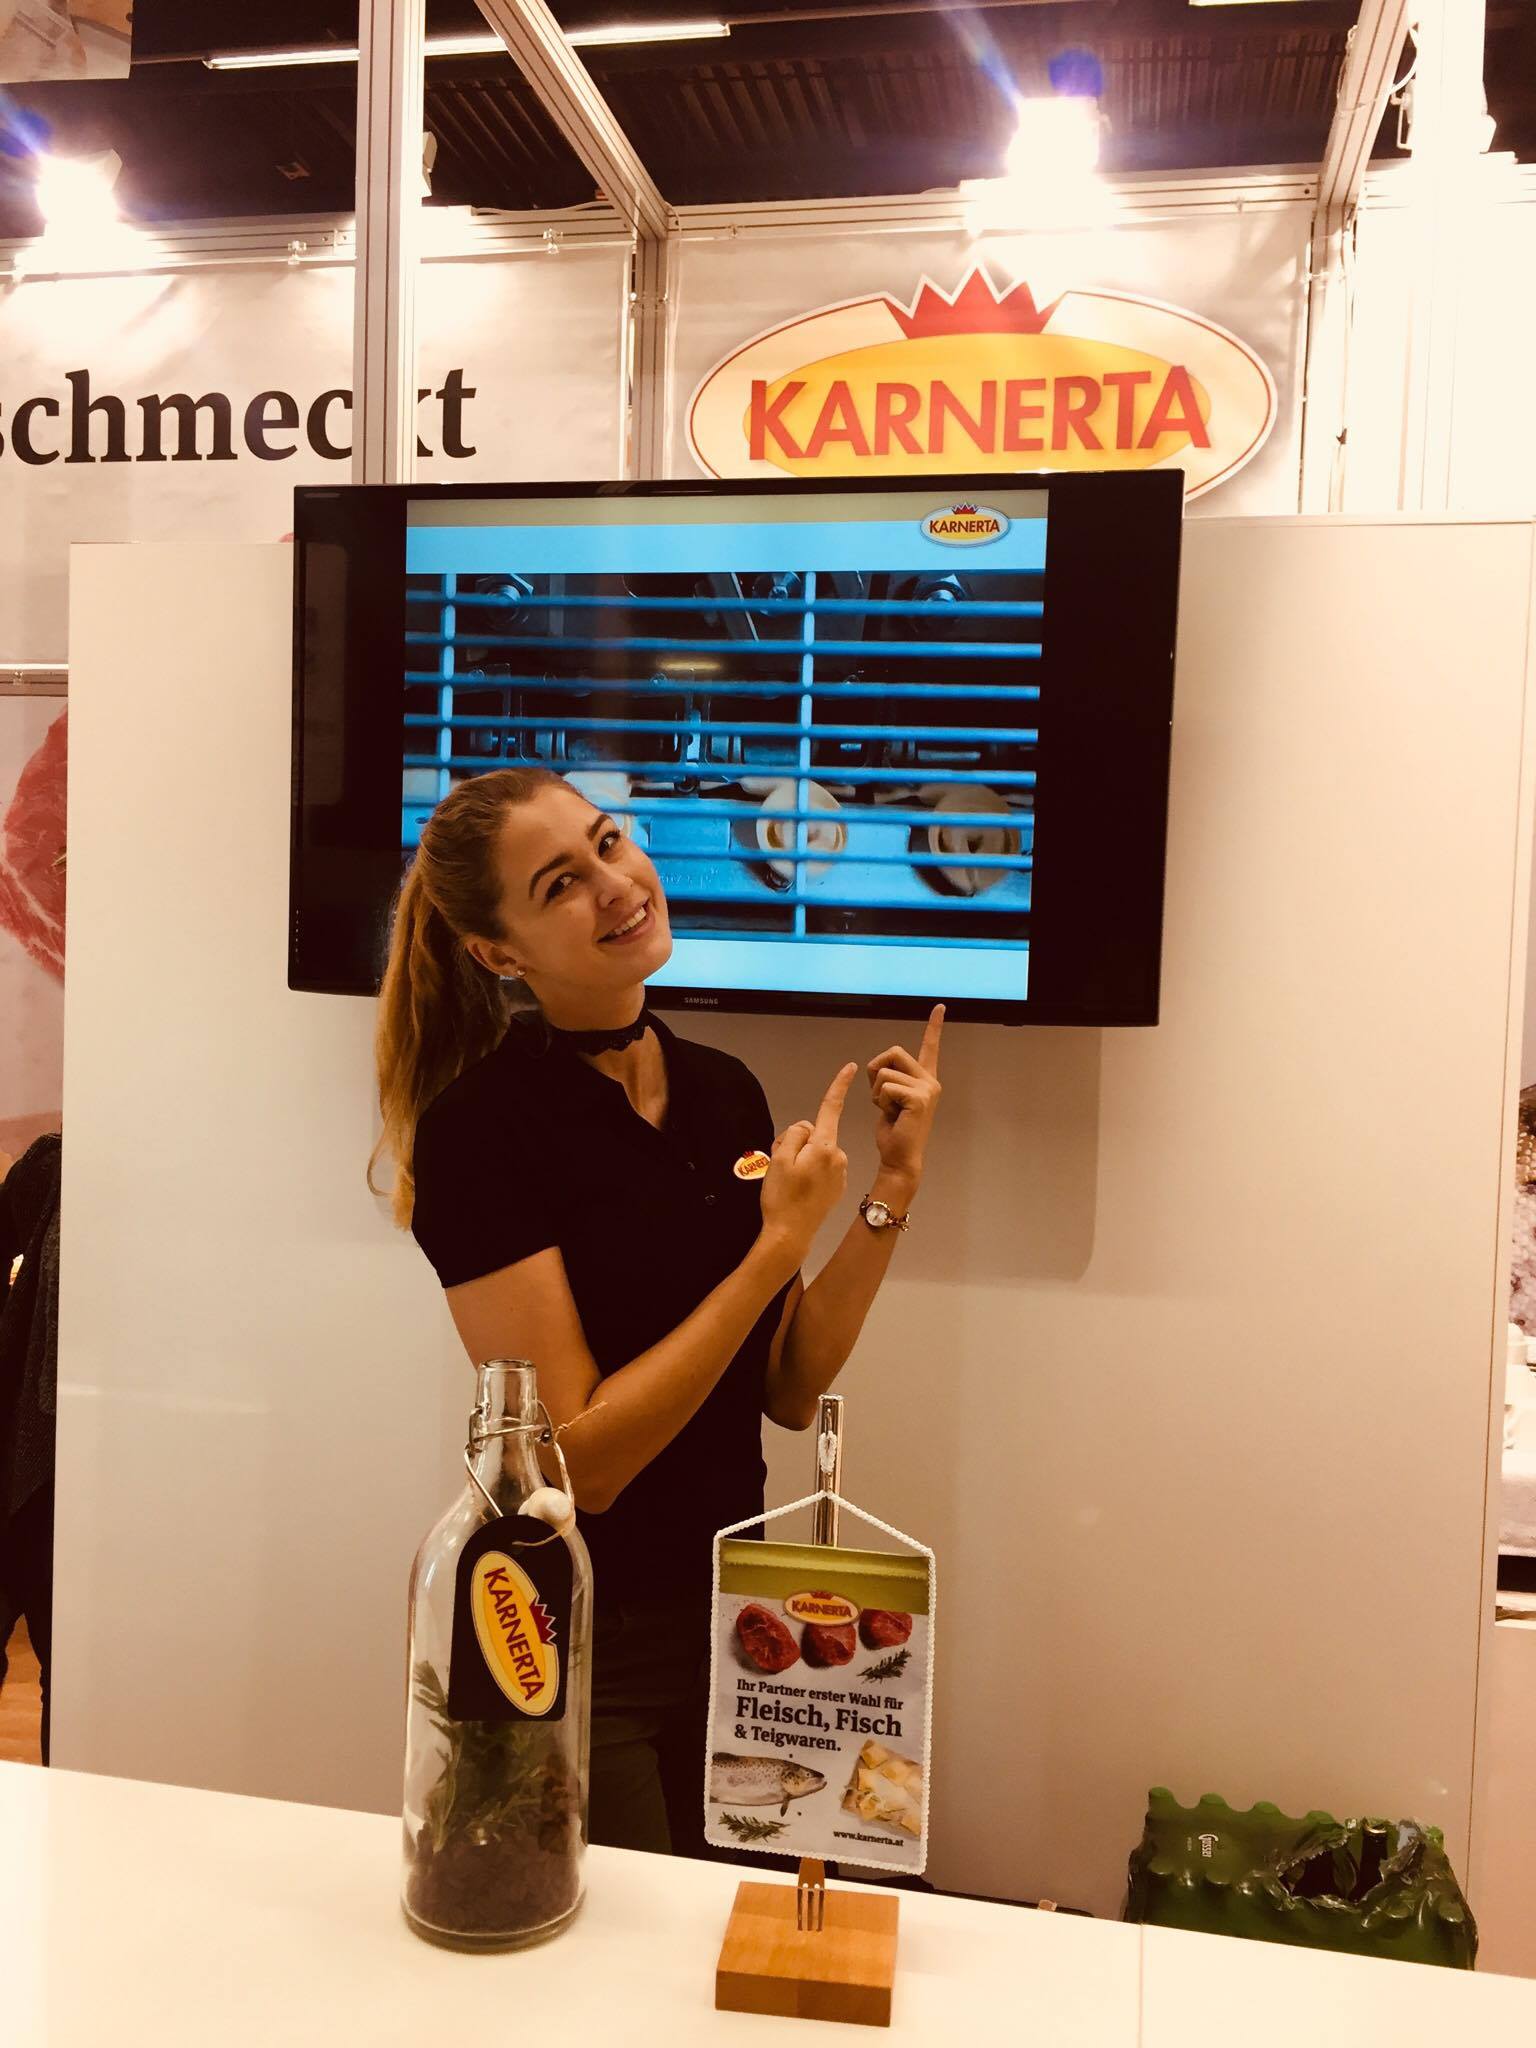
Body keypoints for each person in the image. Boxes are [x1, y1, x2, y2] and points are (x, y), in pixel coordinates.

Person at [371, 766, 944, 1857]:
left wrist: (894, 1186)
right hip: (589, 1636)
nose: (616, 883)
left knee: (733, 1929)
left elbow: (786, 1386)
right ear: (498, 954)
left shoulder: (722, 1088)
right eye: (559, 884)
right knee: (626, 1946)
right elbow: (581, 1465)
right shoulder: (479, 1132)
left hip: (737, 1611)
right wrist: (776, 1247)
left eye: (608, 841)